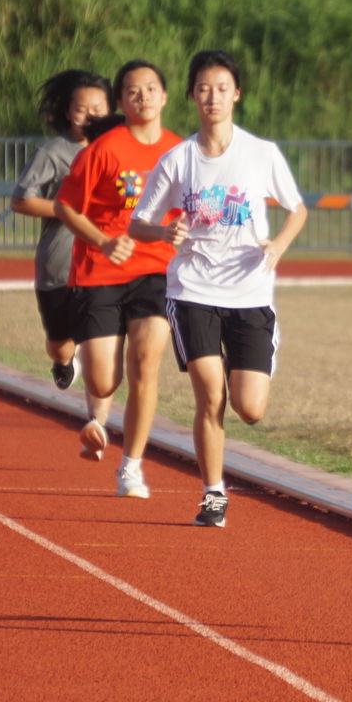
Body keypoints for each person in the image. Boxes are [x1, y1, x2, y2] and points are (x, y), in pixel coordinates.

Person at [129, 50, 307, 527]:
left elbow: (297, 209)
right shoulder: (178, 159)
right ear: (191, 96)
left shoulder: (260, 153)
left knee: (249, 408)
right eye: (204, 89)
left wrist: (278, 248)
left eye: (222, 89)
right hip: (193, 290)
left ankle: (253, 352)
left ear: (236, 95)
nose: (212, 98)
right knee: (210, 396)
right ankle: (213, 495)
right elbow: (138, 223)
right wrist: (164, 234)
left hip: (249, 292)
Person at [53, 59, 182, 496]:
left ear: (164, 96)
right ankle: (97, 410)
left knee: (147, 363)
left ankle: (131, 466)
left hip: (156, 270)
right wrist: (104, 241)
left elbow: (197, 208)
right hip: (100, 271)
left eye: (150, 88)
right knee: (104, 381)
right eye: (132, 90)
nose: (142, 96)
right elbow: (66, 207)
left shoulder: (181, 151)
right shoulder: (104, 149)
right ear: (121, 102)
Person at [10, 69, 116, 452]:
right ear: (69, 112)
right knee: (61, 343)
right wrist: (68, 210)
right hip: (59, 266)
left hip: (104, 267)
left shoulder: (120, 148)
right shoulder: (54, 153)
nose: (89, 114)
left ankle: (97, 424)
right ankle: (61, 360)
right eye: (81, 107)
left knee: (101, 345)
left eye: (97, 107)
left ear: (110, 110)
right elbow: (20, 200)